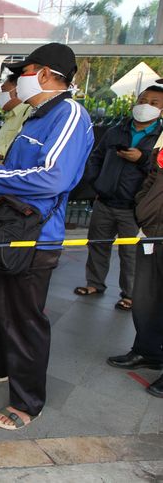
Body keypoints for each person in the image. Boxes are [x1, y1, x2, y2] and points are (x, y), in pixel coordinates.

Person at [0, 43, 94, 430]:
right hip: (6, 227)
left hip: (35, 236)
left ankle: (27, 403)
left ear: (48, 74)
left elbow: (56, 177)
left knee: (24, 320)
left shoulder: (69, 115)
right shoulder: (34, 116)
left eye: (26, 72)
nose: (19, 81)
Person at [74, 86, 163, 311]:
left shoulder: (159, 139)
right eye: (143, 100)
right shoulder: (116, 131)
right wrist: (97, 183)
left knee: (130, 252)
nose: (146, 106)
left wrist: (142, 158)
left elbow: (157, 173)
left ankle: (131, 294)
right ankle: (94, 283)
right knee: (97, 245)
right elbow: (95, 157)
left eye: (154, 103)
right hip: (105, 200)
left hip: (134, 207)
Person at [107, 92, 163, 393]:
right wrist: (144, 206)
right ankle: (149, 352)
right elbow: (154, 173)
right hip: (153, 227)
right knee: (147, 297)